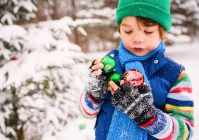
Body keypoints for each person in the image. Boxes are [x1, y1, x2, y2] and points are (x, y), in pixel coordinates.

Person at [79, 0, 194, 139]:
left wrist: (148, 116)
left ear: (162, 32)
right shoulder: (108, 65)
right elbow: (86, 112)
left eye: (148, 31)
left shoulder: (174, 74)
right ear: (120, 29)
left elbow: (185, 133)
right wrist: (94, 93)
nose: (137, 39)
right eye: (128, 31)